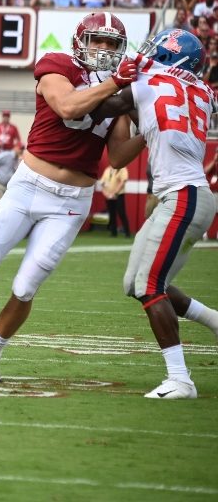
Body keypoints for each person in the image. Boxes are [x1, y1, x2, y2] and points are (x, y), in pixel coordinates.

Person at [0, 12, 143, 382]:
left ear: (121, 49)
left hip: (71, 201)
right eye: (96, 40)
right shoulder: (58, 65)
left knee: (25, 286)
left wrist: (149, 130)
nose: (103, 49)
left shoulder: (120, 93)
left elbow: (117, 157)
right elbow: (68, 107)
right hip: (29, 185)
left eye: (111, 43)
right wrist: (116, 84)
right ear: (79, 41)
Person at [95, 29, 218, 399]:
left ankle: (180, 379)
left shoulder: (151, 80)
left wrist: (109, 82)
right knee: (136, 283)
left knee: (150, 286)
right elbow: (144, 113)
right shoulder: (202, 91)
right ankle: (213, 320)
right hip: (186, 196)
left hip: (182, 195)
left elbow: (102, 108)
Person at [99, 164, 130, 237]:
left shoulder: (122, 168)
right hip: (109, 196)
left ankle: (127, 232)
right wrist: (106, 193)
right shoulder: (107, 170)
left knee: (121, 213)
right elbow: (102, 183)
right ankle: (113, 232)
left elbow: (123, 181)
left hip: (118, 195)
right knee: (112, 214)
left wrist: (115, 192)